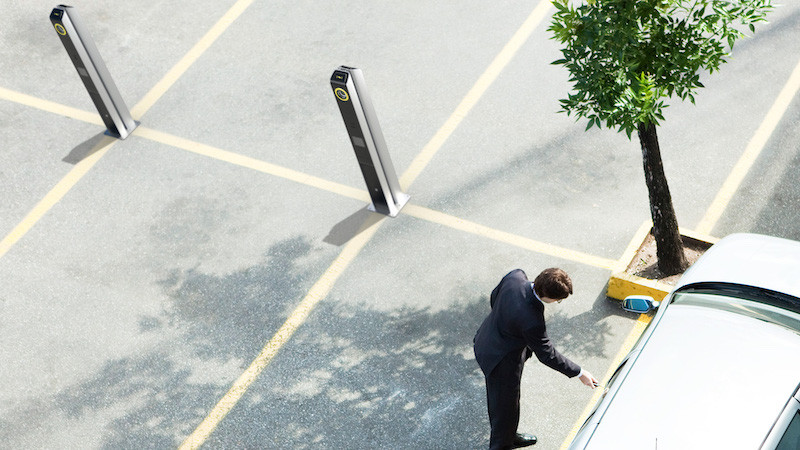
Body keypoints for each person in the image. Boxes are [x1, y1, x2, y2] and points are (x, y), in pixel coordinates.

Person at [474, 268, 598, 449]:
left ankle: (509, 436)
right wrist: (580, 373)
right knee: (505, 409)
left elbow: (495, 297)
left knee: (508, 406)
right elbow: (547, 355)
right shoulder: (532, 320)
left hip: (486, 338)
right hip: (500, 362)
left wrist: (507, 323)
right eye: (558, 300)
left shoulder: (515, 276)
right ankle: (502, 444)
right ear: (547, 295)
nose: (557, 302)